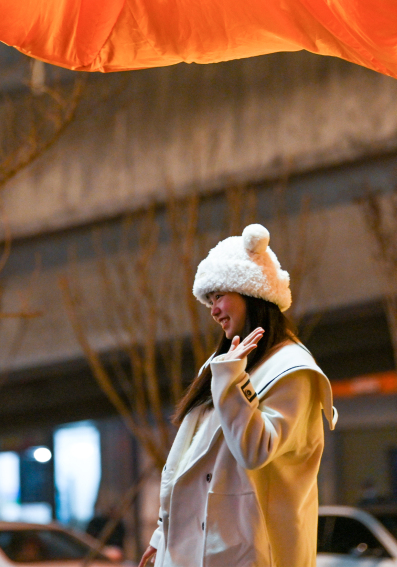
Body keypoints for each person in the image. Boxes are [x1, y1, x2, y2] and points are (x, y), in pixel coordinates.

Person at [138, 224, 337, 567]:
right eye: (210, 301)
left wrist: (231, 379)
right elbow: (184, 461)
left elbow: (255, 450)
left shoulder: (293, 371)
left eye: (219, 296)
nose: (214, 310)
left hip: (252, 554)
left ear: (253, 293)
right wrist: (162, 536)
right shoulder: (225, 365)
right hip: (198, 552)